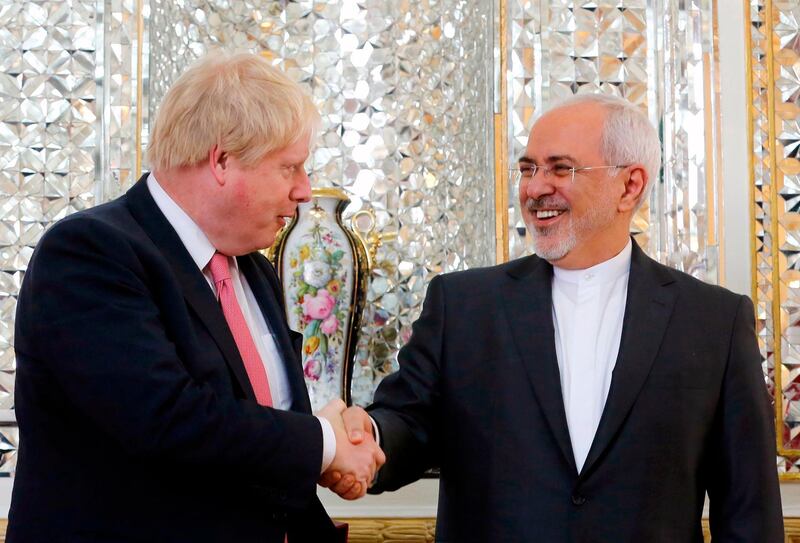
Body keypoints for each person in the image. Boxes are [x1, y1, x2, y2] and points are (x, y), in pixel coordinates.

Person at [333, 94, 784, 542]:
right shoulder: (465, 304)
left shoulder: (714, 321)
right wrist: (366, 437)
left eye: (560, 168)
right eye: (529, 169)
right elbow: (409, 423)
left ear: (629, 186)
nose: (534, 188)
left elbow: (748, 509)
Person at [8, 51, 384, 543]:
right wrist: (327, 443)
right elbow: (168, 419)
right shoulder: (88, 253)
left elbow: (258, 428)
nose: (304, 191)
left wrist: (330, 435)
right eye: (290, 167)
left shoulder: (253, 268)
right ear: (222, 160)